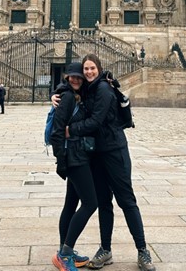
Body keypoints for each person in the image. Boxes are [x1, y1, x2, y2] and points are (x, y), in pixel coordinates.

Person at [67, 53, 156, 271]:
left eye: (91, 68)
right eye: (85, 69)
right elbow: (69, 89)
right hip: (97, 154)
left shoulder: (104, 90)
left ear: (98, 68)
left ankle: (143, 251)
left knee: (126, 201)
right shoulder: (88, 89)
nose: (88, 72)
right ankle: (105, 250)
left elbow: (96, 121)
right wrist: (56, 96)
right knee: (104, 203)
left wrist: (71, 130)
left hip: (115, 152)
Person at [50, 62, 96, 271]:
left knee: (70, 203)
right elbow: (57, 131)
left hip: (76, 154)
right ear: (67, 77)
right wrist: (61, 160)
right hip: (74, 157)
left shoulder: (72, 94)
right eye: (73, 76)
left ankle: (64, 250)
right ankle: (65, 253)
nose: (77, 79)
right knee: (90, 203)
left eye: (80, 76)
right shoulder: (67, 96)